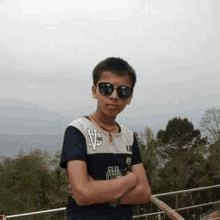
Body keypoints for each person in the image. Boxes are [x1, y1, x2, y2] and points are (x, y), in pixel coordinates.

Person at [60, 57, 151, 220]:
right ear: (94, 91)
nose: (114, 96)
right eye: (106, 88)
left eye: (123, 91)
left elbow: (144, 193)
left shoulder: (129, 136)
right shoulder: (77, 130)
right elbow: (82, 194)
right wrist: (130, 180)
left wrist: (97, 193)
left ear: (129, 97)